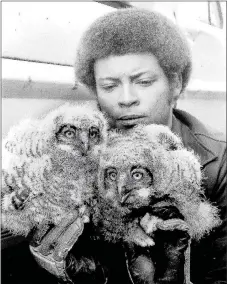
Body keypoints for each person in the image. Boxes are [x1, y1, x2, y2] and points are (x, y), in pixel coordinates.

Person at [3, 7, 226, 284]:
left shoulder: (217, 161)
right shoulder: (76, 154)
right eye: (109, 86)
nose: (126, 99)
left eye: (143, 82)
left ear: (176, 83)